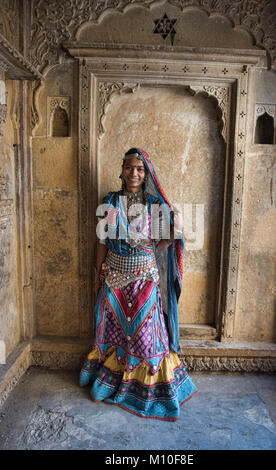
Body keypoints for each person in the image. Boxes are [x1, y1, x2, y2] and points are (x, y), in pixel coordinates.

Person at [79, 148, 198, 421]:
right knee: (115, 334)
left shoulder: (153, 205)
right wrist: (98, 275)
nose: (134, 173)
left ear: (146, 174)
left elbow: (160, 245)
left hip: (144, 277)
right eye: (129, 167)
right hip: (114, 279)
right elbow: (102, 242)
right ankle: (112, 381)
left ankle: (145, 388)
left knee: (146, 338)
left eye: (140, 169)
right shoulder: (109, 202)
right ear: (121, 170)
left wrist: (177, 231)